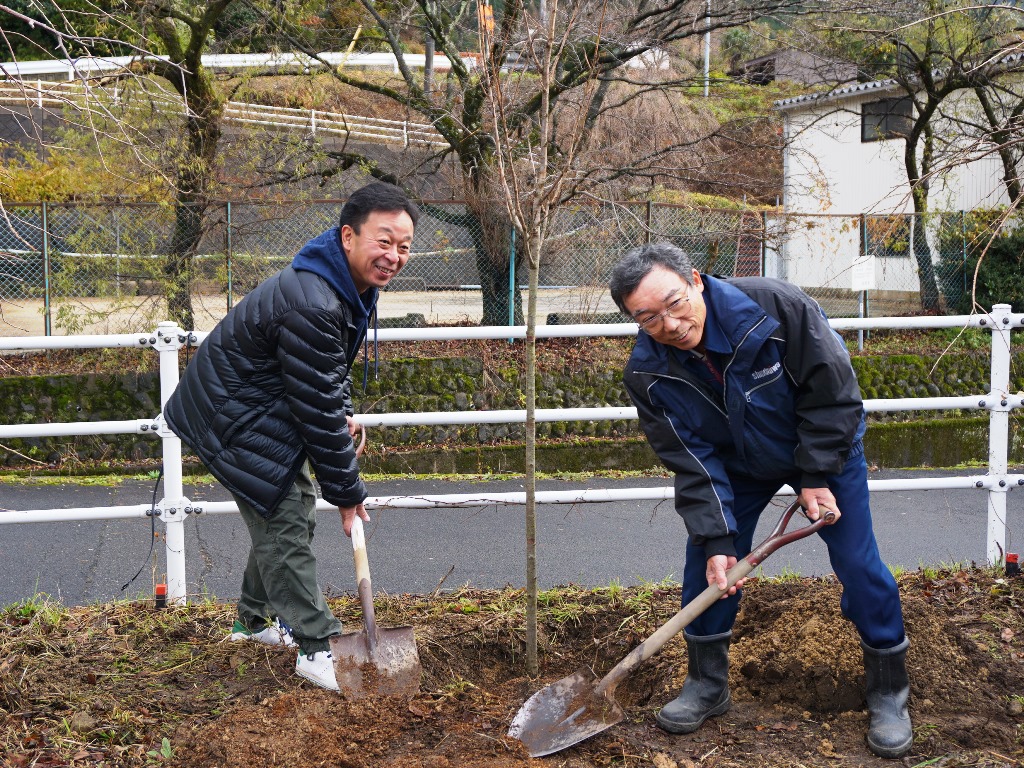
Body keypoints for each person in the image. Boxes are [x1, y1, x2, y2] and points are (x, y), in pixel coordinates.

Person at [608, 242, 912, 759]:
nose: (671, 324)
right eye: (649, 317)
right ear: (633, 320)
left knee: (858, 563)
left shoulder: (776, 309)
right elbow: (691, 458)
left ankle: (888, 688)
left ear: (697, 281)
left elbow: (834, 391)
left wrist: (816, 473)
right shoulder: (648, 372)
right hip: (736, 464)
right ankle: (708, 684)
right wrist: (718, 537)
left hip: (821, 449)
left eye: (676, 302)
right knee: (708, 564)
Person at [164, 182, 418, 692]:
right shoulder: (317, 300)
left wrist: (343, 413)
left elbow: (323, 379)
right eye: (383, 241)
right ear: (348, 236)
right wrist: (347, 496)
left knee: (288, 511)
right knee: (283, 516)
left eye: (405, 246)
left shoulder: (341, 285)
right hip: (232, 417)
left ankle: (254, 622)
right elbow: (317, 404)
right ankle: (317, 647)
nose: (394, 256)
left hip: (255, 407)